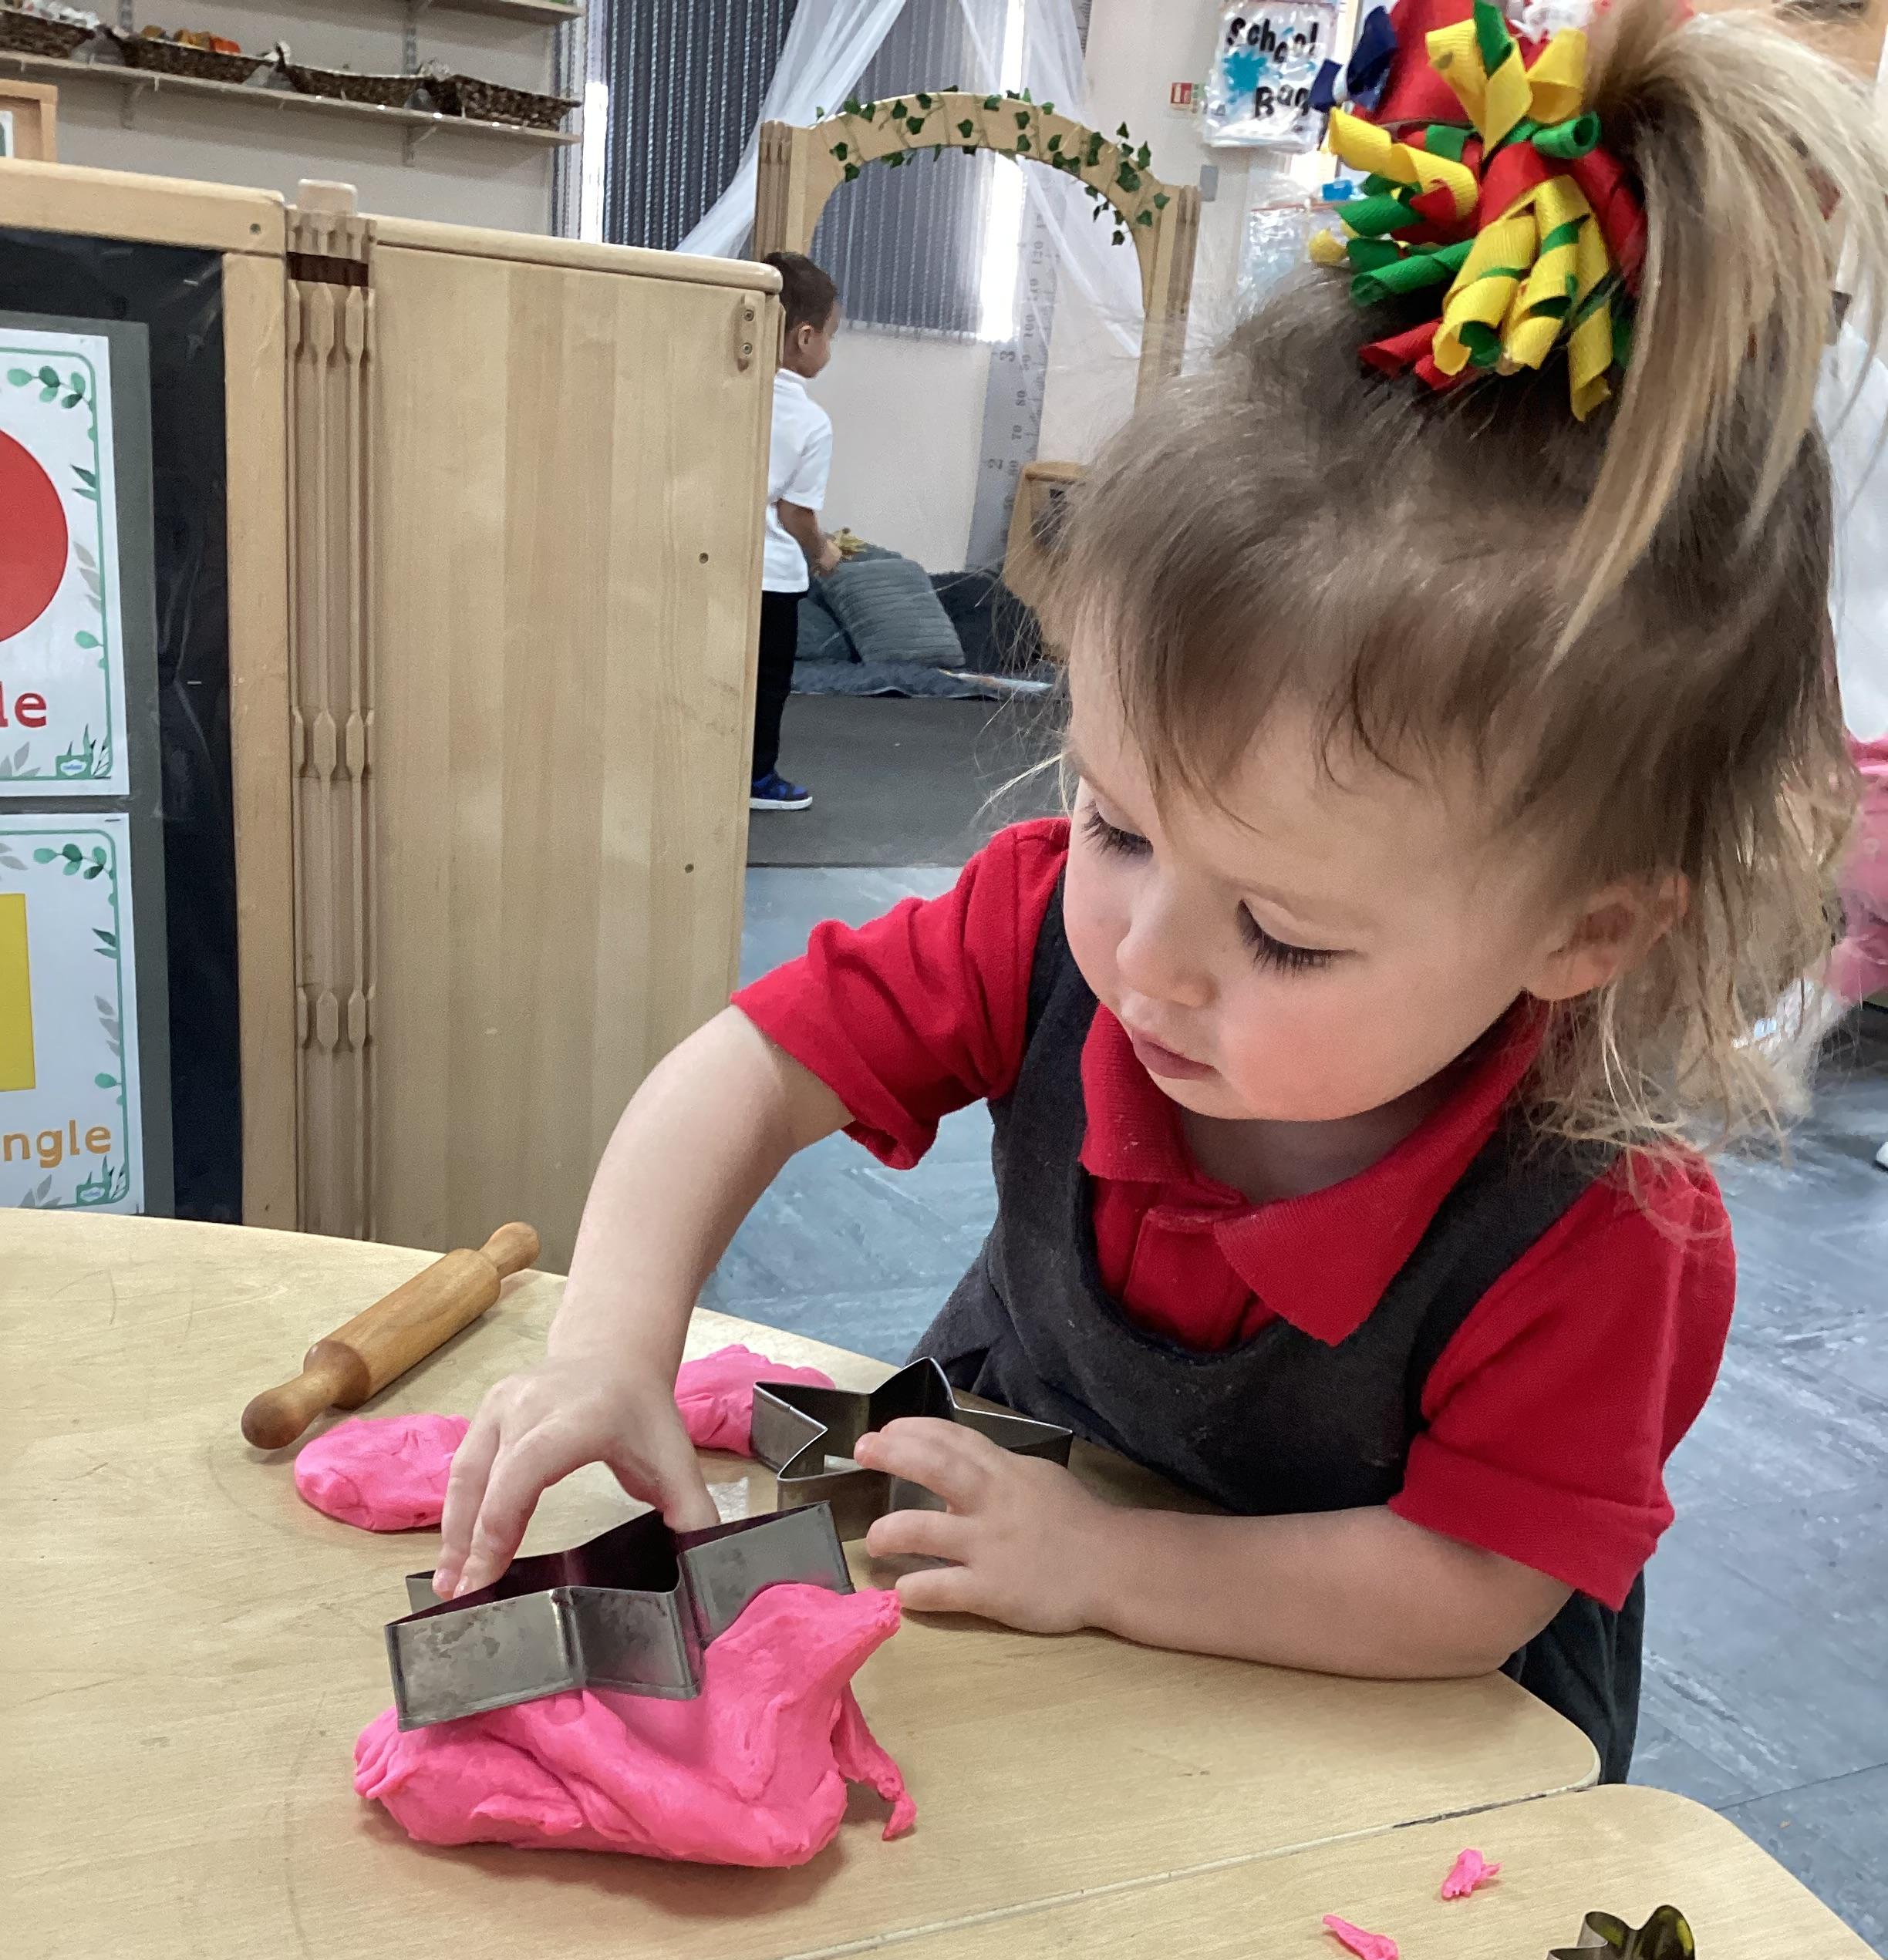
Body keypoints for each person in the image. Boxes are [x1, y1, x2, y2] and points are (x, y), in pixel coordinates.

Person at [436, 0, 1888, 1785]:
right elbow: (744, 1069)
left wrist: (1113, 1565)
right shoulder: (1049, 925)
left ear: (1584, 928)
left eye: (1286, 933)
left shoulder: (1603, 1226)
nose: (1145, 960)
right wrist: (608, 1343)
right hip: (1025, 1539)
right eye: (1118, 823)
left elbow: (1467, 1590)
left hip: (1370, 1716)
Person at [751, 251, 842, 813]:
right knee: (766, 684)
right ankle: (757, 778)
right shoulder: (810, 420)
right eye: (831, 334)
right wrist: (823, 551)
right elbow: (794, 515)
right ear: (805, 337)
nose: (830, 349)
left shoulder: (719, 392)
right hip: (771, 578)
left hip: (707, 564)